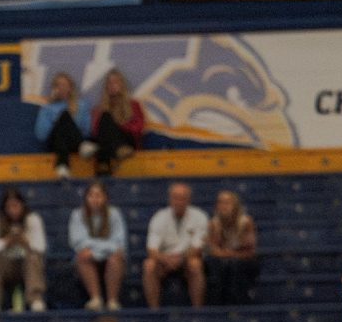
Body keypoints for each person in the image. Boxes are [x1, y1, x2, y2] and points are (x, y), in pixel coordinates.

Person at [0, 187, 47, 312]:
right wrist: (5, 242)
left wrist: (26, 243)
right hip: (7, 266)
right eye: (9, 207)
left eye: (15, 206)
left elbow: (41, 247)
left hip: (27, 266)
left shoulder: (33, 220)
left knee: (33, 255)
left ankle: (35, 299)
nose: (13, 210)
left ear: (22, 205)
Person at [143, 181, 207, 309]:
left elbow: (197, 247)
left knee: (195, 264)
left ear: (188, 200)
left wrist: (181, 259)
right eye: (175, 198)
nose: (178, 202)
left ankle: (198, 310)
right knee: (149, 265)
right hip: (164, 259)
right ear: (170, 199)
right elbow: (152, 249)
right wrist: (165, 259)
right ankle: (154, 311)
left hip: (187, 259)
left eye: (182, 198)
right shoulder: (159, 217)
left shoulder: (200, 217)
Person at [68, 181, 127, 310]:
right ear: (86, 198)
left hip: (110, 256)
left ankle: (112, 301)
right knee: (82, 255)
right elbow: (78, 241)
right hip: (89, 257)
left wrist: (96, 252)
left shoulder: (114, 214)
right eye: (91, 195)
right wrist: (103, 249)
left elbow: (119, 242)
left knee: (116, 257)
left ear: (105, 197)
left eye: (98, 195)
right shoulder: (77, 215)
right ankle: (95, 298)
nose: (95, 199)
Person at [34, 72, 96, 179]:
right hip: (55, 144)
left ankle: (62, 166)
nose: (61, 88)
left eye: (64, 85)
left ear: (71, 88)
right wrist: (57, 122)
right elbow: (41, 135)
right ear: (54, 89)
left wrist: (69, 128)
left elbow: (87, 130)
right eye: (58, 85)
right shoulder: (47, 108)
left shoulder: (81, 105)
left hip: (74, 143)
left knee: (65, 118)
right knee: (63, 117)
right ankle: (81, 145)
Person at [206, 189, 259, 305]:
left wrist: (228, 254)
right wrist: (230, 254)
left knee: (235, 264)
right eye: (220, 202)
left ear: (235, 205)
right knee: (217, 264)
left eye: (227, 202)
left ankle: (238, 304)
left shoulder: (246, 222)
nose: (223, 206)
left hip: (243, 262)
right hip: (223, 262)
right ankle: (217, 305)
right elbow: (213, 251)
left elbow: (250, 252)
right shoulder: (213, 224)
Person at [90, 68, 144, 176]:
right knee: (105, 117)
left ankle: (103, 163)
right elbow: (95, 131)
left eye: (116, 82)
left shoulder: (133, 104)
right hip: (109, 143)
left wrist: (118, 126)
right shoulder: (99, 109)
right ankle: (111, 154)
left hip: (127, 141)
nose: (112, 85)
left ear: (122, 85)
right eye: (109, 83)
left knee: (107, 126)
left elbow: (138, 128)